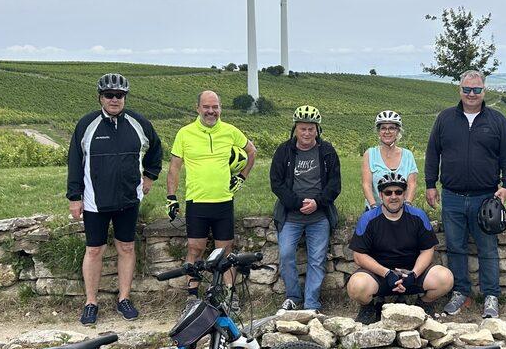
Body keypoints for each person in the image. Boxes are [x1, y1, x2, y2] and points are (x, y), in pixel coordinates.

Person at [67, 73, 163, 325]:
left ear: (124, 98)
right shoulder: (86, 125)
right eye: (109, 95)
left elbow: (156, 149)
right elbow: (75, 162)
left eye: (119, 95)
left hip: (129, 198)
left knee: (127, 248)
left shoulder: (138, 123)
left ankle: (124, 299)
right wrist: (74, 197)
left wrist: (150, 176)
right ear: (100, 97)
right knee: (94, 249)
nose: (114, 99)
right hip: (94, 201)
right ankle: (91, 302)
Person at [425, 69, 506, 319]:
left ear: (484, 91)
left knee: (488, 249)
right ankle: (460, 293)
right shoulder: (445, 119)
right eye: (467, 89)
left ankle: (491, 296)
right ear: (460, 90)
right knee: (455, 247)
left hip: (486, 197)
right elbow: (433, 152)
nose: (472, 94)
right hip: (452, 196)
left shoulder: (497, 121)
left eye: (477, 89)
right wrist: (430, 184)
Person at [166, 90, 257, 302]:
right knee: (194, 250)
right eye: (206, 107)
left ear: (220, 109)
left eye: (215, 107)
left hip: (223, 201)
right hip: (197, 202)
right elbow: (174, 168)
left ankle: (229, 296)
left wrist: (242, 177)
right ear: (197, 108)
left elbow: (252, 152)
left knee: (225, 253)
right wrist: (171, 197)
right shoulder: (185, 133)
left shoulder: (230, 131)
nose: (211, 111)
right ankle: (192, 297)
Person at [348, 173, 453, 324]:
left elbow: (427, 250)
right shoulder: (369, 218)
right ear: (380, 195)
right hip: (380, 275)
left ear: (404, 194)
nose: (393, 196)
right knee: (356, 285)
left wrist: (414, 274)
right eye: (388, 192)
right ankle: (368, 308)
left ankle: (423, 304)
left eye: (398, 192)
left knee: (446, 278)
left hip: (411, 274)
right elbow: (359, 256)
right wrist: (387, 274)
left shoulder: (418, 216)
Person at [270, 105, 342, 314]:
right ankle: (293, 296)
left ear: (318, 130)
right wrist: (297, 203)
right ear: (295, 129)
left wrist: (318, 203)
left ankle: (311, 303)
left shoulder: (327, 151)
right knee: (285, 254)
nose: (307, 133)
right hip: (290, 215)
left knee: (317, 258)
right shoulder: (284, 151)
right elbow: (276, 183)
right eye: (303, 129)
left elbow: (334, 184)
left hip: (319, 215)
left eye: (311, 129)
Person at [361, 110, 418, 208]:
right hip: (376, 208)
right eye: (383, 128)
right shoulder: (370, 154)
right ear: (379, 132)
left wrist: (407, 204)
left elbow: (412, 184)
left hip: (401, 209)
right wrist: (373, 207)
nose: (387, 132)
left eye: (391, 128)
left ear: (398, 131)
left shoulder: (408, 155)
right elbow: (366, 184)